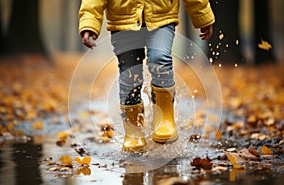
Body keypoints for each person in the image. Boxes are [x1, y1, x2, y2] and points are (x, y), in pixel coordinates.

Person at [78, 0, 215, 153]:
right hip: (122, 20)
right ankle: (133, 130)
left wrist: (202, 16)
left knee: (160, 59)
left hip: (162, 16)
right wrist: (89, 23)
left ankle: (164, 118)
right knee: (129, 74)